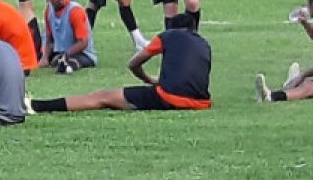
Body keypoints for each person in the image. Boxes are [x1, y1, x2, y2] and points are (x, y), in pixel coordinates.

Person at [28, 12, 211, 114]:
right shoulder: (205, 44)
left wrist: (148, 79)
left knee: (102, 97)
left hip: (169, 97)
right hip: (201, 102)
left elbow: (134, 63)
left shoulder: (168, 35)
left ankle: (36, 106)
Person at [39, 0, 97, 73]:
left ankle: (66, 66)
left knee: (72, 61)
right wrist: (45, 58)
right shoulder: (49, 11)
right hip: (62, 52)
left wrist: (66, 55)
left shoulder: (75, 11)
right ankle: (62, 63)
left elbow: (83, 42)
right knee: (53, 59)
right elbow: (49, 39)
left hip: (83, 54)